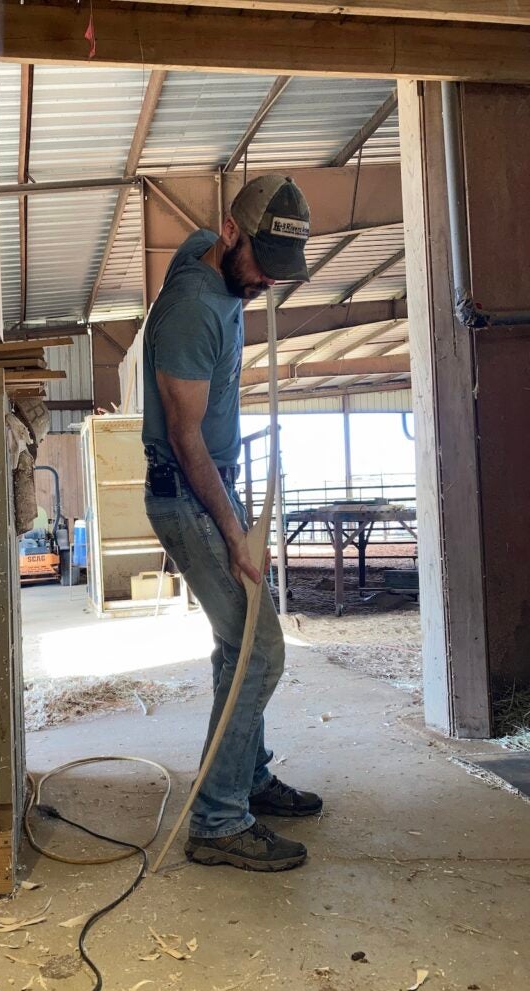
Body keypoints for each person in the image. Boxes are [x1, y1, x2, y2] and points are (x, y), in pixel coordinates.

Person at [142, 174, 323, 872]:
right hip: (189, 494)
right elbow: (187, 440)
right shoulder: (192, 307)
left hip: (209, 486)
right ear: (228, 232)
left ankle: (245, 777)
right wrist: (235, 532)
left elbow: (220, 261)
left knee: (237, 647)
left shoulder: (208, 258)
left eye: (280, 273)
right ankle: (217, 821)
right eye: (259, 268)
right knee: (263, 649)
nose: (267, 284)